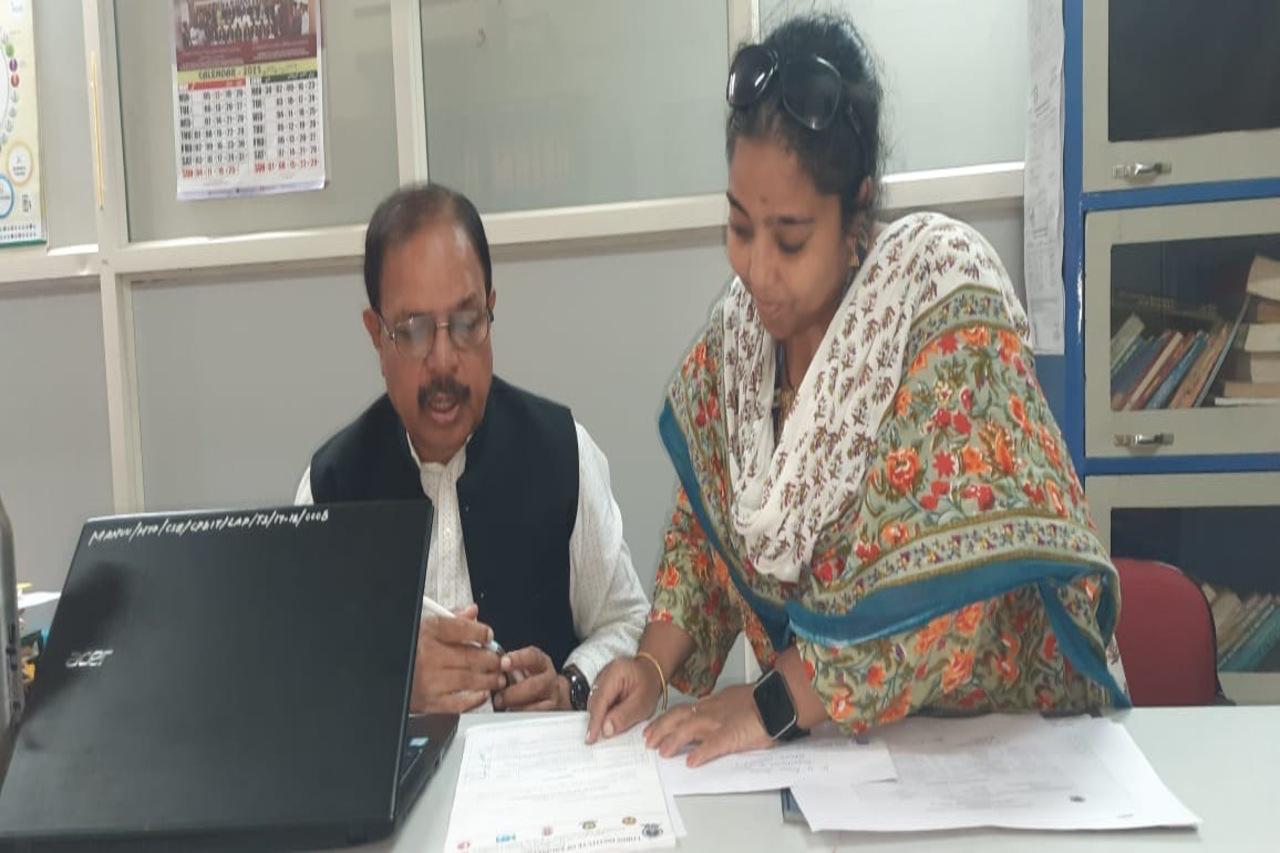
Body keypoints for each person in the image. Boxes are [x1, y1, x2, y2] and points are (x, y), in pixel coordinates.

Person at [586, 14, 1128, 763]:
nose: (758, 271)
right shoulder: (739, 344)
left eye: (791, 238)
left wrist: (772, 703)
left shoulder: (942, 302)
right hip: (841, 757)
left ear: (856, 215)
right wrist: (651, 664)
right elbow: (704, 538)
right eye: (740, 227)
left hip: (1008, 748)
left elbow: (952, 596)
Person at [297, 184, 648, 715]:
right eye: (414, 331)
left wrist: (571, 685)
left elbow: (628, 622)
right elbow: (300, 673)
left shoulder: (562, 454)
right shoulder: (331, 490)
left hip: (533, 765)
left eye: (466, 324)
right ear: (376, 333)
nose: (443, 361)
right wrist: (393, 682)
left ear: (491, 311)